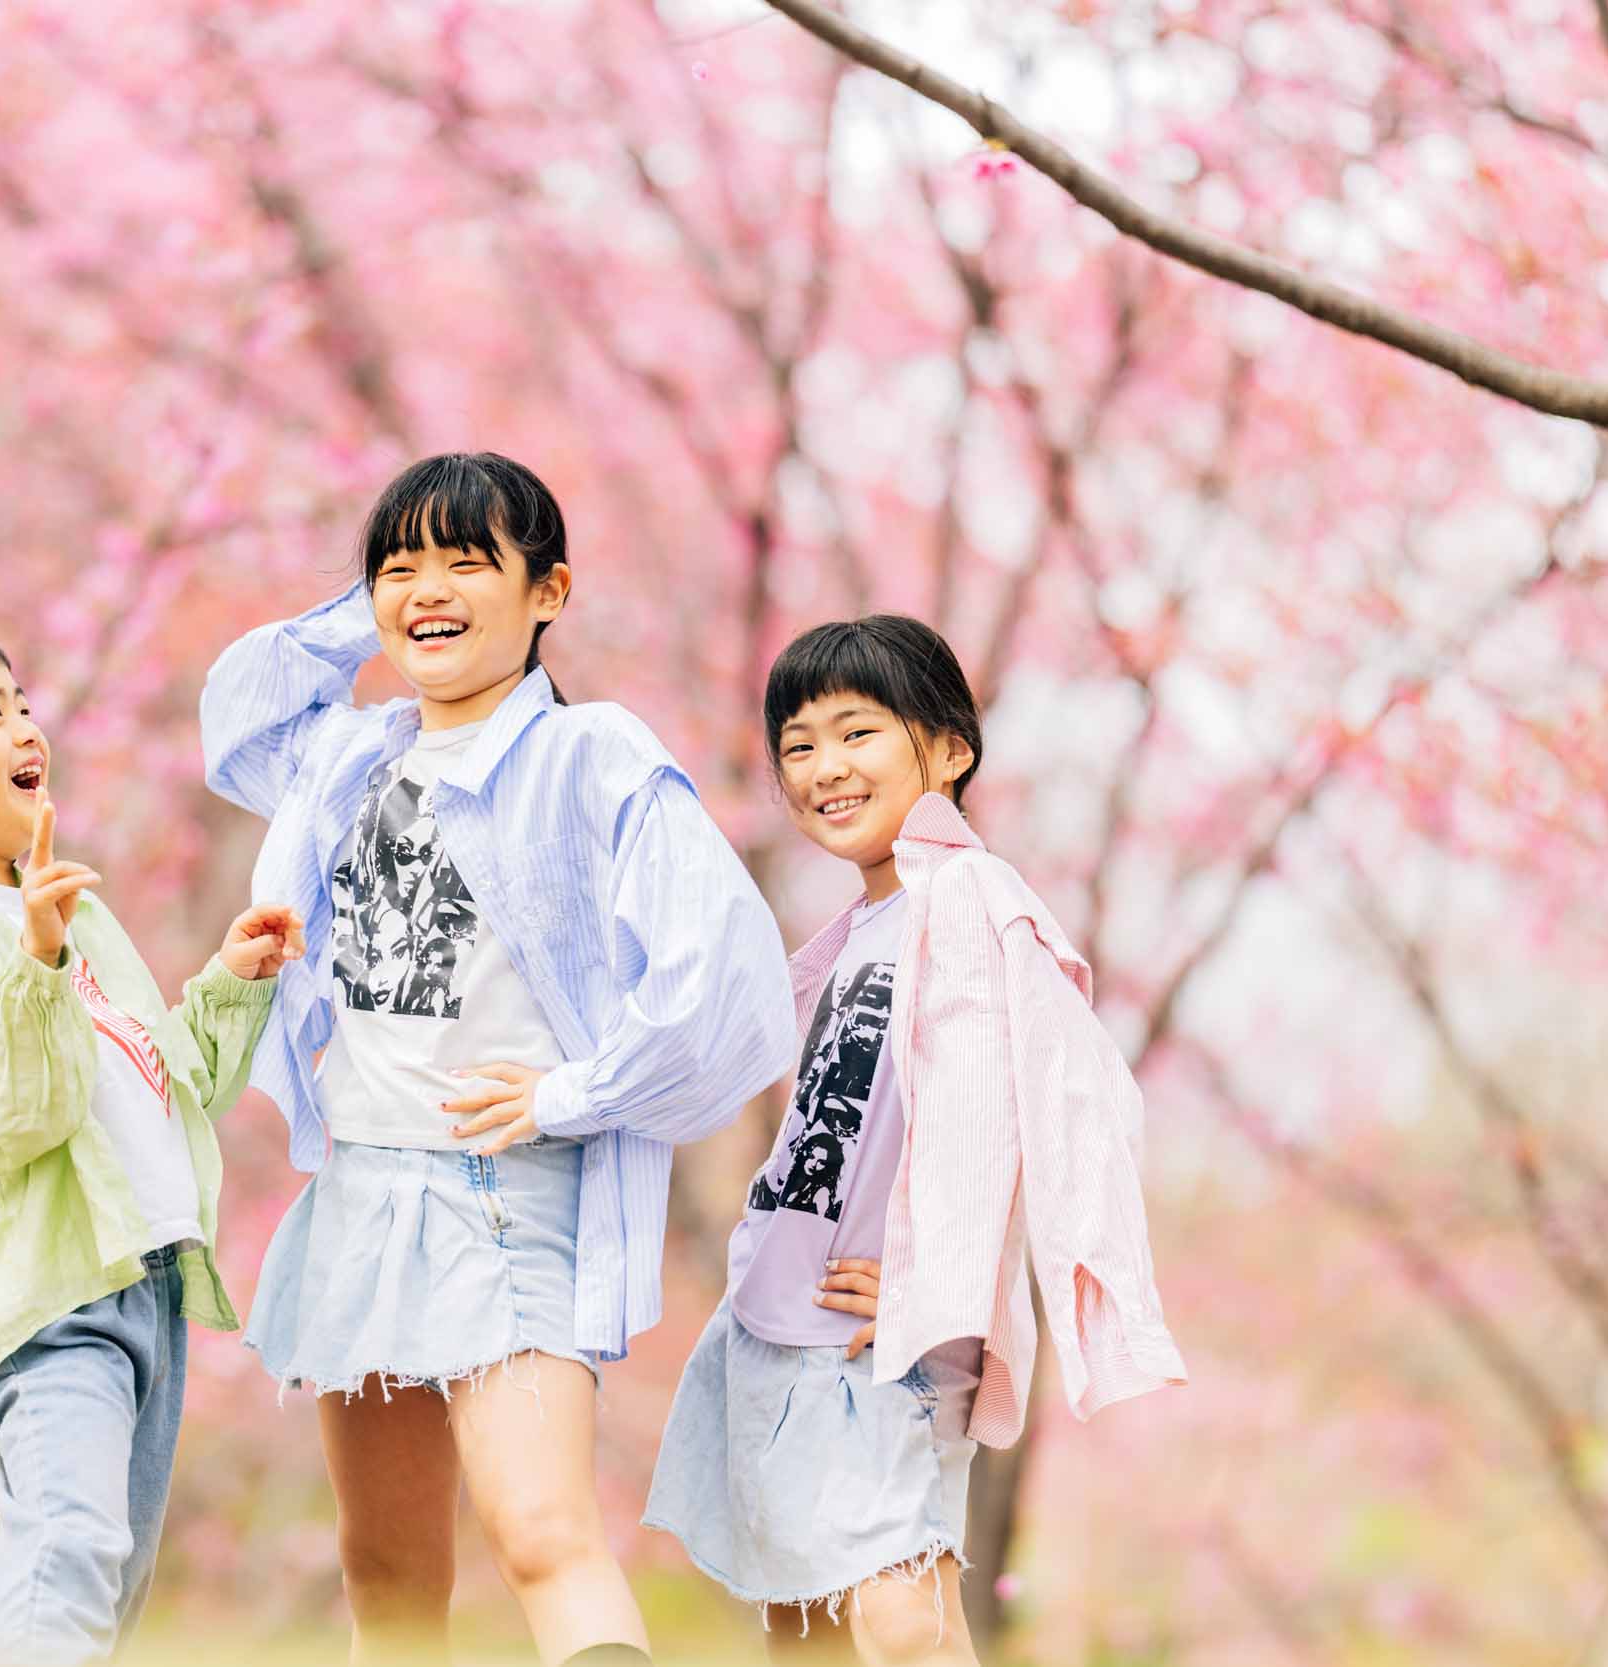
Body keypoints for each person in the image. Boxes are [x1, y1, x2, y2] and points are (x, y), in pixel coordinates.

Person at [200, 453, 794, 1667]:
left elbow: (722, 972)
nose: (428, 589)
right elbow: (241, 707)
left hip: (503, 1198)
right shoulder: (348, 755)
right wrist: (385, 600)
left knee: (541, 1533)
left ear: (551, 591)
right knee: (388, 1573)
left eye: (470, 563)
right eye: (400, 566)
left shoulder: (592, 757)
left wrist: (573, 1094)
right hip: (358, 1192)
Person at [643, 616, 1187, 1665]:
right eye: (798, 745)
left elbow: (1074, 1100)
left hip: (884, 1334)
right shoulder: (859, 929)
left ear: (948, 749)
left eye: (857, 733)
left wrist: (936, 1280)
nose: (823, 768)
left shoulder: (972, 899)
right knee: (801, 1628)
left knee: (903, 1619)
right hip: (779, 1320)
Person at [0, 619, 302, 1664]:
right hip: (43, 1292)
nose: (29, 726)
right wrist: (34, 957)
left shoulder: (61, 907)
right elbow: (17, 1113)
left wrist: (227, 985)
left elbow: (169, 1085)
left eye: (21, 703)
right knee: (67, 1541)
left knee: (110, 1577)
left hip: (142, 1272)